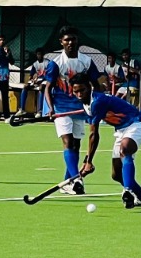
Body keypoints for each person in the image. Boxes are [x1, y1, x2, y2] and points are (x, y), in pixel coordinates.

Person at [32, 26, 103, 193]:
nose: (70, 42)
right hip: (61, 106)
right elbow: (48, 88)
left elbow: (96, 84)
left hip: (79, 106)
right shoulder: (56, 63)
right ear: (61, 42)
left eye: (73, 39)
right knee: (68, 141)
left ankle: (66, 183)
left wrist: (98, 103)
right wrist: (50, 108)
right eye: (67, 40)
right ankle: (76, 179)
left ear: (78, 41)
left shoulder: (86, 61)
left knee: (77, 144)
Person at [73, 70, 141, 208]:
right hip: (121, 130)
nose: (80, 94)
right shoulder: (87, 105)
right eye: (76, 92)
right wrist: (87, 161)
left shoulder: (97, 101)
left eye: (82, 90)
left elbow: (94, 134)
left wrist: (89, 161)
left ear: (89, 87)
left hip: (137, 123)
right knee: (116, 174)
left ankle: (127, 191)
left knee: (125, 149)